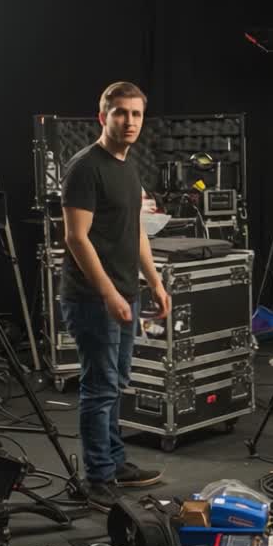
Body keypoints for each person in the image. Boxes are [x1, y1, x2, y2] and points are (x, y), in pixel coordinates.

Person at [59, 81, 170, 505]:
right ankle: (98, 477)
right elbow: (76, 238)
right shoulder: (86, 167)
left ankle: (114, 462)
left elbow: (135, 230)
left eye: (136, 114)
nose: (129, 121)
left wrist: (155, 283)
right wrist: (108, 293)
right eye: (120, 112)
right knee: (100, 387)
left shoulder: (127, 165)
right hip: (92, 298)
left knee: (115, 383)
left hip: (125, 293)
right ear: (102, 115)